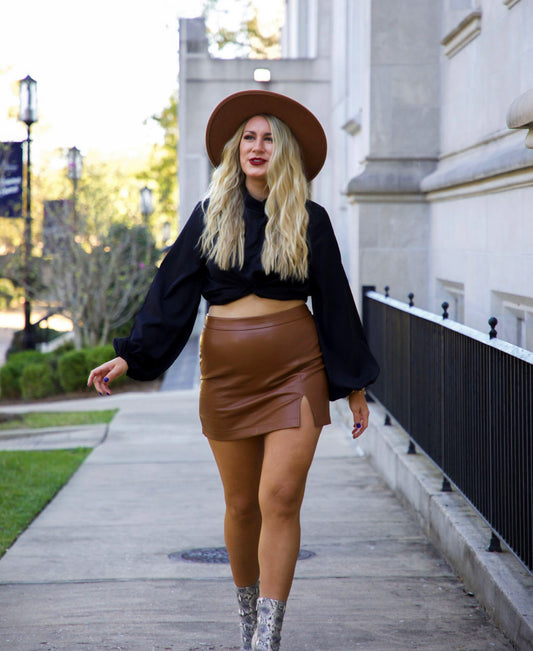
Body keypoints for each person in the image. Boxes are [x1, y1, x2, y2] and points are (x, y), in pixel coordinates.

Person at [88, 90, 379, 651]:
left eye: (269, 137)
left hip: (298, 369)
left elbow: (336, 302)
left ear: (285, 150)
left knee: (281, 495)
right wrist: (133, 355)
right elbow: (170, 293)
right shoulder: (209, 216)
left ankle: (268, 636)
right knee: (243, 505)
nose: (258, 146)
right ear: (234, 148)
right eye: (248, 136)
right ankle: (247, 620)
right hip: (227, 377)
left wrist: (355, 387)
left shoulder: (310, 220)